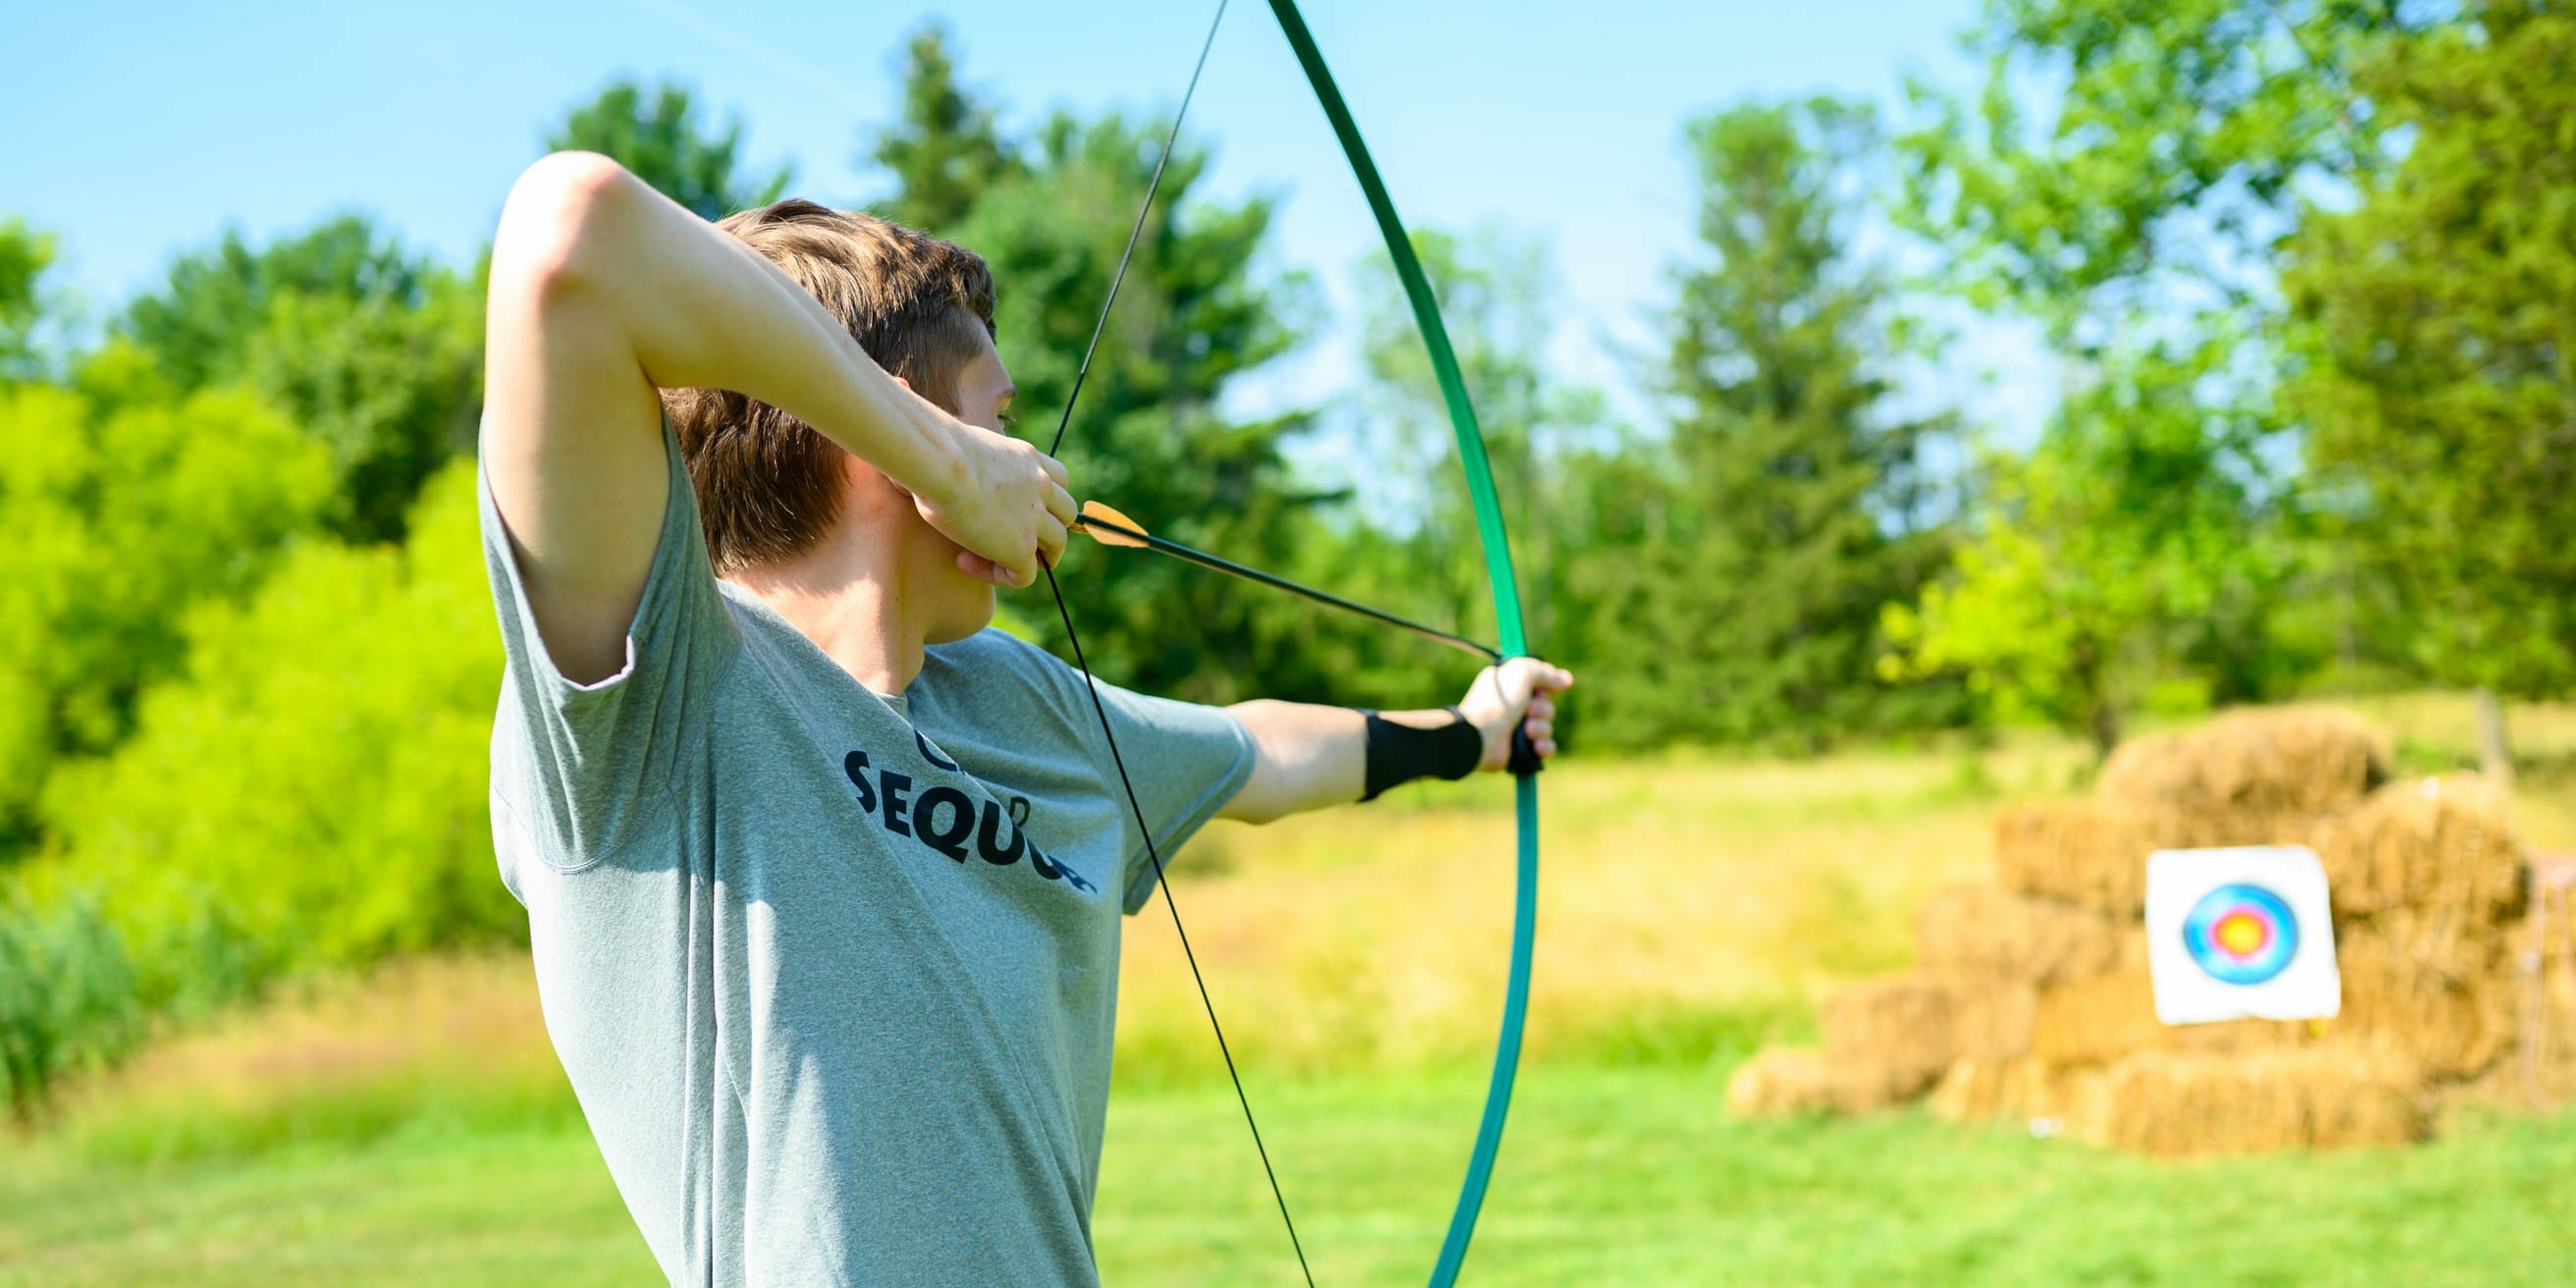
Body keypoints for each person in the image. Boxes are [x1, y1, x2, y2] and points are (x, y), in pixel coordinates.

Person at [474, 150, 1574, 1285]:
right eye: (1000, 423)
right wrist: (944, 457)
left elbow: (1255, 755)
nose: (1031, 466)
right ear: (901, 449)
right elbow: (572, 232)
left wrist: (1473, 731)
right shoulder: (656, 697)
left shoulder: (1016, 703)